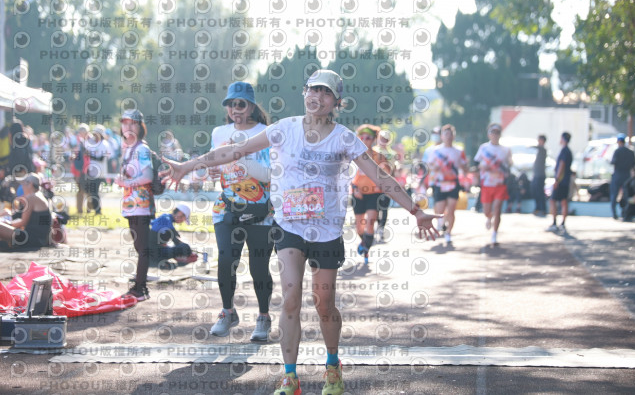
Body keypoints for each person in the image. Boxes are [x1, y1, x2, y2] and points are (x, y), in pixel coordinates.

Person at [160, 69, 440, 395]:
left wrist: (416, 211)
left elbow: (380, 176)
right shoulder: (284, 129)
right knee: (290, 299)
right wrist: (187, 166)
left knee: (324, 304)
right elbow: (234, 152)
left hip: (326, 231)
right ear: (304, 92)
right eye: (313, 89)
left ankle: (332, 367)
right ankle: (290, 378)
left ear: (337, 101)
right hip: (289, 226)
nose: (317, 96)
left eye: (325, 92)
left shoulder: (343, 137)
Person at [206, 81, 276, 343]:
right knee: (226, 259)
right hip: (227, 207)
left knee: (259, 267)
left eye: (241, 104)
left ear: (252, 106)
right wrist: (212, 169)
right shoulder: (219, 132)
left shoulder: (267, 133)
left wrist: (242, 159)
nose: (235, 109)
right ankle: (227, 312)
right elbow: (213, 163)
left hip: (261, 210)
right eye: (230, 104)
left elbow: (270, 174)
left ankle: (263, 317)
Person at [115, 109, 155, 301]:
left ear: (140, 127)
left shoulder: (141, 149)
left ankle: (141, 288)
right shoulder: (129, 148)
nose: (128, 127)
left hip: (141, 205)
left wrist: (127, 183)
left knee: (142, 247)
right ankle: (140, 286)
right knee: (139, 247)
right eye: (125, 123)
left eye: (133, 123)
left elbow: (148, 176)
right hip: (132, 204)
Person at [351, 124, 390, 263]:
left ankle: (366, 249)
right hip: (358, 194)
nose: (364, 140)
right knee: (359, 228)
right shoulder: (353, 156)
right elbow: (348, 176)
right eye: (361, 137)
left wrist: (382, 181)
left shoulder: (379, 156)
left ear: (373, 139)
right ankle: (364, 242)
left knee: (371, 221)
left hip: (374, 194)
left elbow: (387, 174)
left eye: (367, 137)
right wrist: (354, 188)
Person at [427, 124, 467, 246]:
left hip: (453, 183)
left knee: (451, 209)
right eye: (446, 134)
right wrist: (435, 168)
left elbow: (465, 167)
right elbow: (429, 165)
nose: (448, 137)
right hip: (439, 184)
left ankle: (448, 233)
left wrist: (464, 170)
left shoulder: (459, 151)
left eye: (450, 134)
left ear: (453, 136)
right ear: (442, 136)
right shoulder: (436, 151)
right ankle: (441, 224)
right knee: (440, 210)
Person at [474, 123, 512, 247]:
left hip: (500, 184)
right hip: (486, 184)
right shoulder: (484, 148)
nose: (495, 135)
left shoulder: (505, 150)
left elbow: (510, 163)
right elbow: (476, 163)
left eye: (497, 132)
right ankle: (489, 218)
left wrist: (509, 164)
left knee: (497, 208)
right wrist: (482, 167)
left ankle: (494, 234)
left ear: (500, 134)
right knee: (487, 211)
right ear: (488, 134)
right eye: (492, 132)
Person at [0, 173, 51, 250]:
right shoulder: (39, 196)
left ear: (30, 184)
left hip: (30, 238)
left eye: (24, 183)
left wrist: (8, 224)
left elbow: (23, 222)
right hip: (39, 239)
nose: (22, 186)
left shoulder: (31, 197)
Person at [546, 132, 573, 234]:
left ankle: (554, 223)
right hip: (566, 180)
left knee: (553, 200)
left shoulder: (564, 151)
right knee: (564, 201)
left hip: (561, 181)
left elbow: (562, 165)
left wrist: (556, 179)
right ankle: (562, 224)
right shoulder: (568, 151)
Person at [373, 129, 395, 243]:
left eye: (386, 139)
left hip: (387, 184)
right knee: (375, 207)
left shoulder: (391, 154)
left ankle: (381, 228)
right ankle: (377, 225)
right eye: (382, 138)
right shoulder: (373, 151)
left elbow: (393, 169)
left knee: (384, 207)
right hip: (374, 184)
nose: (383, 141)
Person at [84, 124, 111, 215]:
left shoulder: (104, 144)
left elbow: (102, 158)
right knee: (92, 191)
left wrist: (90, 155)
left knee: (94, 191)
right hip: (92, 171)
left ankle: (98, 210)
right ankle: (95, 209)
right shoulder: (93, 143)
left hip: (100, 172)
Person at [610, 133, 635, 220]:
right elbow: (634, 164)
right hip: (627, 176)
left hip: (617, 175)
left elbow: (613, 162)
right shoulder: (630, 152)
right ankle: (626, 214)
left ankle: (614, 214)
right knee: (626, 196)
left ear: (618, 141)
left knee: (614, 195)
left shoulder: (617, 151)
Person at [71, 124, 89, 214]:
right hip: (79, 170)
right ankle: (80, 209)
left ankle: (88, 209)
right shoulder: (78, 142)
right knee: (81, 190)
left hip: (86, 170)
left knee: (88, 190)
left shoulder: (88, 142)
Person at [532, 135, 547, 216]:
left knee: (540, 193)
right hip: (536, 174)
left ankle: (542, 209)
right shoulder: (539, 150)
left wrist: (529, 146)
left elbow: (538, 147)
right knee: (535, 192)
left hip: (540, 175)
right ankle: (537, 208)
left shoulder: (543, 150)